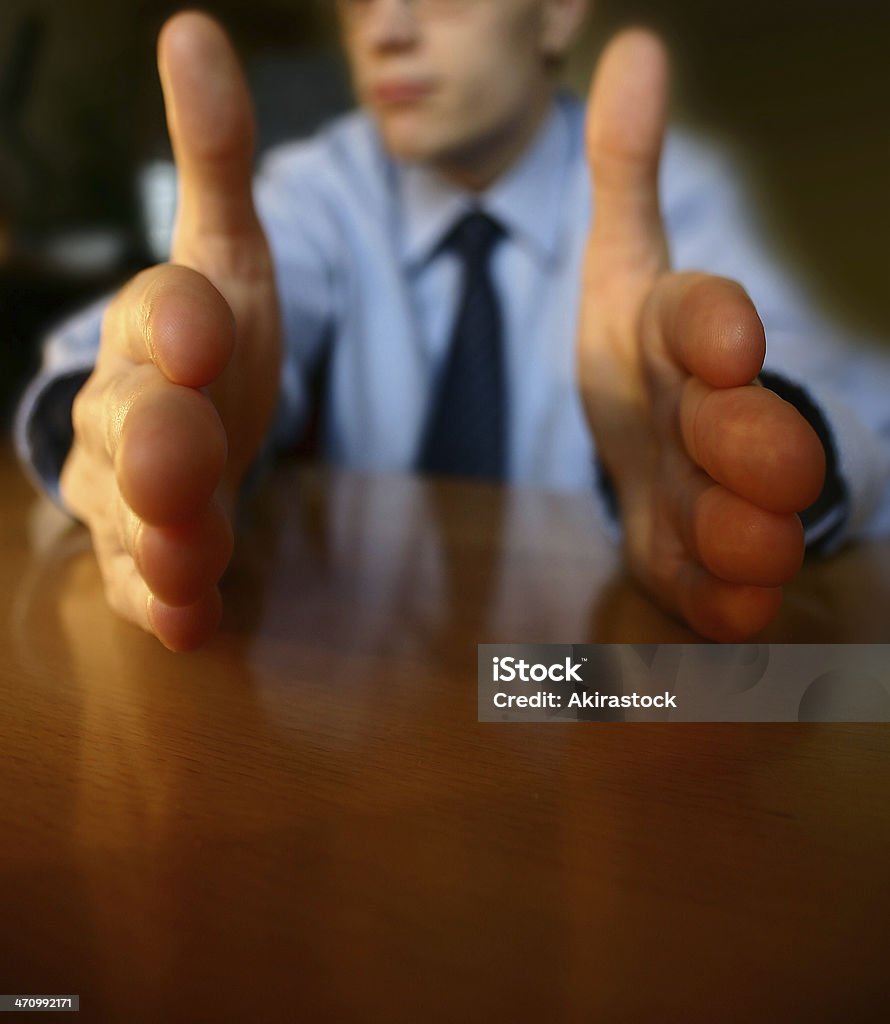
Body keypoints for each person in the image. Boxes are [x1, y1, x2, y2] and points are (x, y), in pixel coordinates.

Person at [14, 2, 890, 651]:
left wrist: (732, 450)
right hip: (359, 702)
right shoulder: (320, 187)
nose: (383, 27)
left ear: (555, 16)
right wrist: (127, 423)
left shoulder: (667, 188)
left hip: (593, 689)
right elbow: (117, 355)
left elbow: (844, 392)